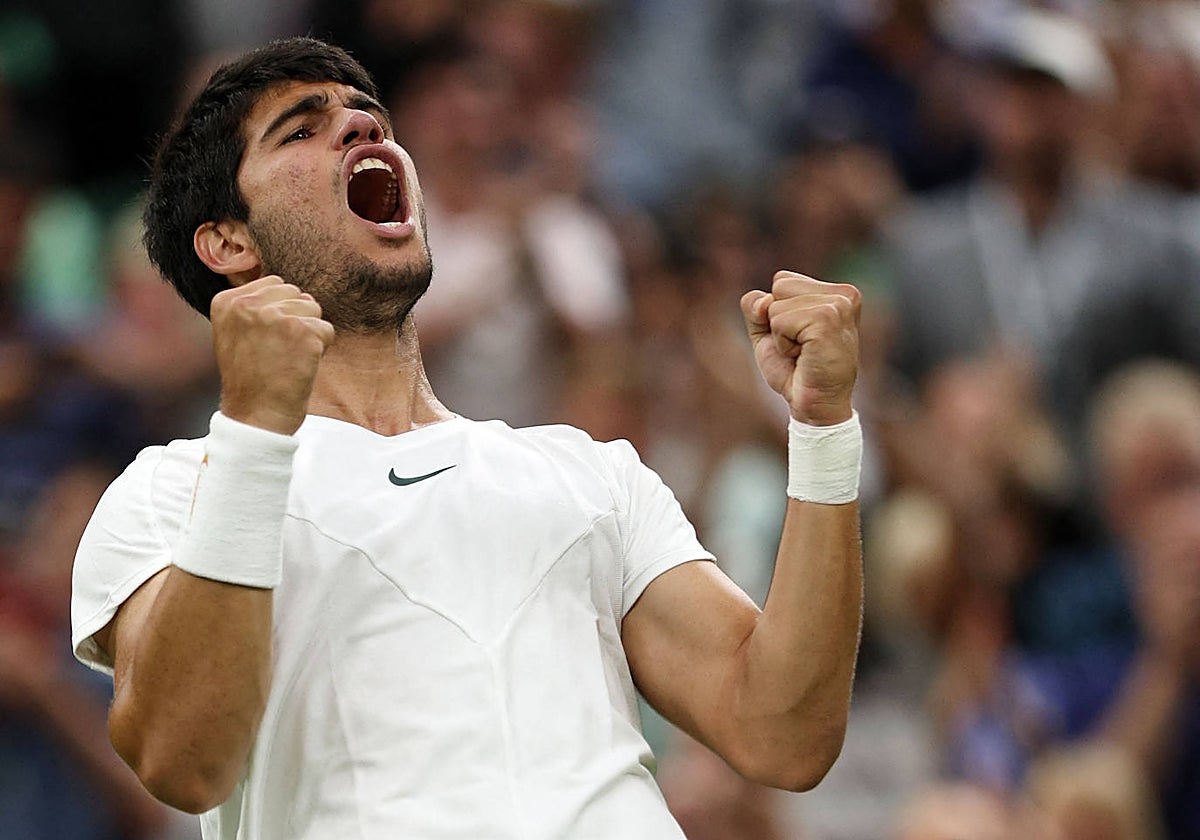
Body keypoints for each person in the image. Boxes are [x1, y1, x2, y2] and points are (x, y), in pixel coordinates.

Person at [69, 37, 864, 840]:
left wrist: (824, 431)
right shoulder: (172, 490)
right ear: (228, 244)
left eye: (368, 117)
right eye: (301, 130)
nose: (360, 130)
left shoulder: (590, 473)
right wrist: (252, 431)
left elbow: (783, 735)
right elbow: (183, 761)